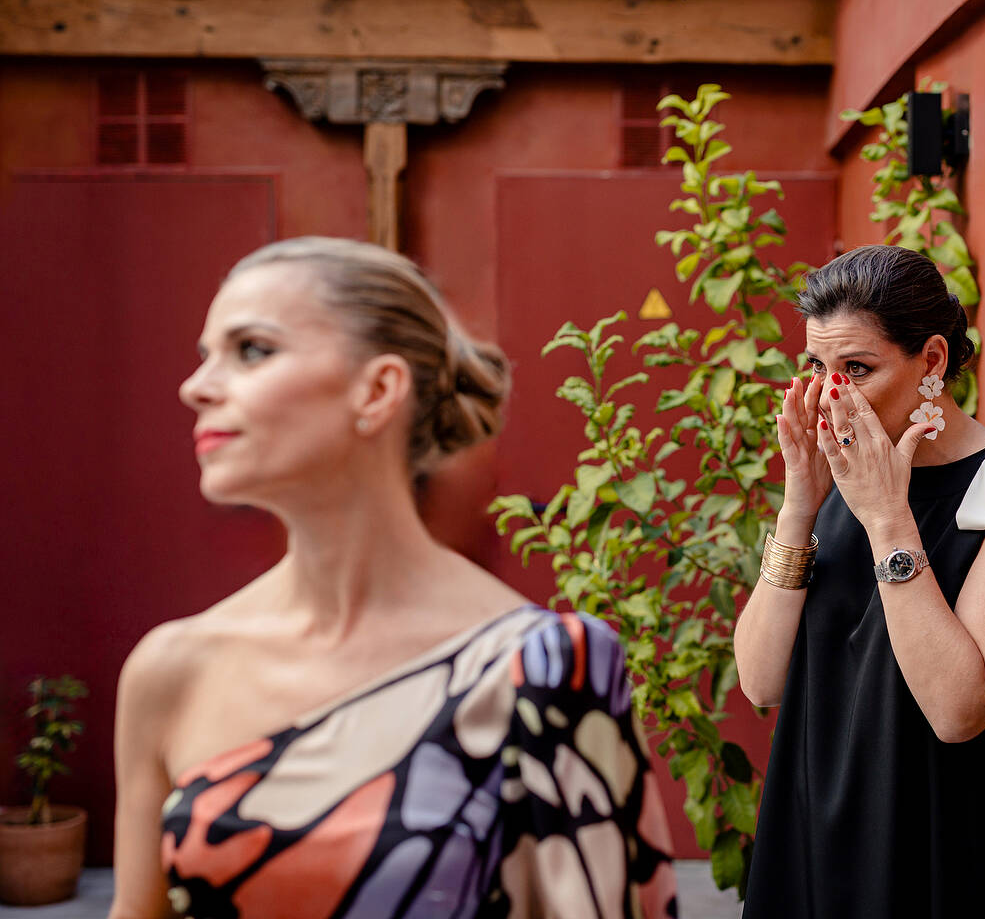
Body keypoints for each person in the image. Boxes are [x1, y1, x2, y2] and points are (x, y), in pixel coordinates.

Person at [107, 237, 678, 919]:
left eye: (251, 350)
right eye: (207, 356)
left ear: (377, 390)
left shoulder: (548, 669)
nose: (195, 386)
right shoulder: (170, 670)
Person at [735, 244, 985, 917]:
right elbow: (760, 681)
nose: (828, 395)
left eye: (858, 369)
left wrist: (888, 519)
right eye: (816, 366)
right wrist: (798, 505)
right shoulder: (837, 483)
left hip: (946, 861)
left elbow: (960, 708)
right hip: (814, 846)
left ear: (931, 360)